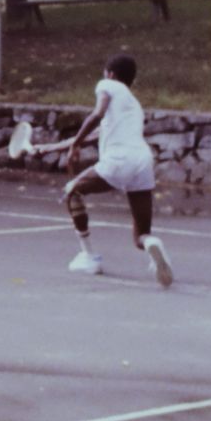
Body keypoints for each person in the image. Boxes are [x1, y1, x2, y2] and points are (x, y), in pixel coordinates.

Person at [61, 53, 171, 286]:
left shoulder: (107, 85)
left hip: (119, 159)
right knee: (141, 235)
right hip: (143, 161)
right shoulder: (133, 105)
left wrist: (76, 144)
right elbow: (99, 132)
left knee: (72, 191)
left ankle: (89, 256)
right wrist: (68, 143)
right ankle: (152, 243)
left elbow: (97, 114)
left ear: (110, 74)